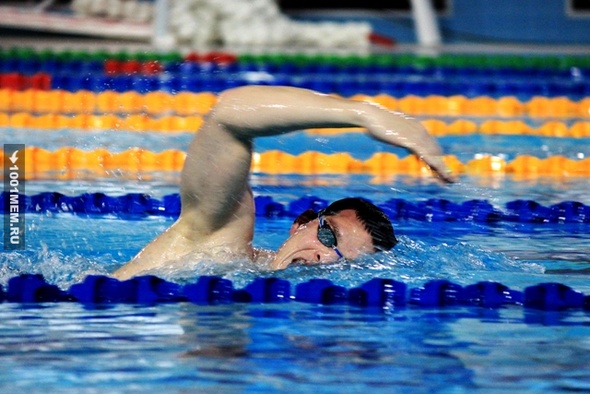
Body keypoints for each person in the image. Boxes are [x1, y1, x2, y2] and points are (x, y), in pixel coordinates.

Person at [113, 85, 454, 280]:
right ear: (301, 224)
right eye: (327, 235)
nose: (325, 257)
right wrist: (364, 114)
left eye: (347, 262)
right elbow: (228, 117)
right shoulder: (220, 241)